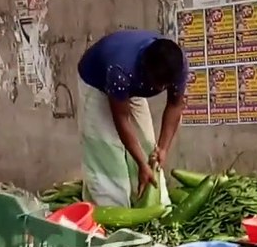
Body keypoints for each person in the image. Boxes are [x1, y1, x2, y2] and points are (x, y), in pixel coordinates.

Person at [76, 30, 188, 208]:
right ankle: (111, 210)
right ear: (145, 67)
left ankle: (152, 206)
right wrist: (141, 163)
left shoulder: (177, 66)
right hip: (96, 83)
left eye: (165, 85)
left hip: (133, 85)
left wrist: (163, 148)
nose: (160, 88)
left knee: (148, 146)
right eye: (157, 83)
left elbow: (175, 105)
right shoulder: (121, 69)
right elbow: (121, 118)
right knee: (107, 150)